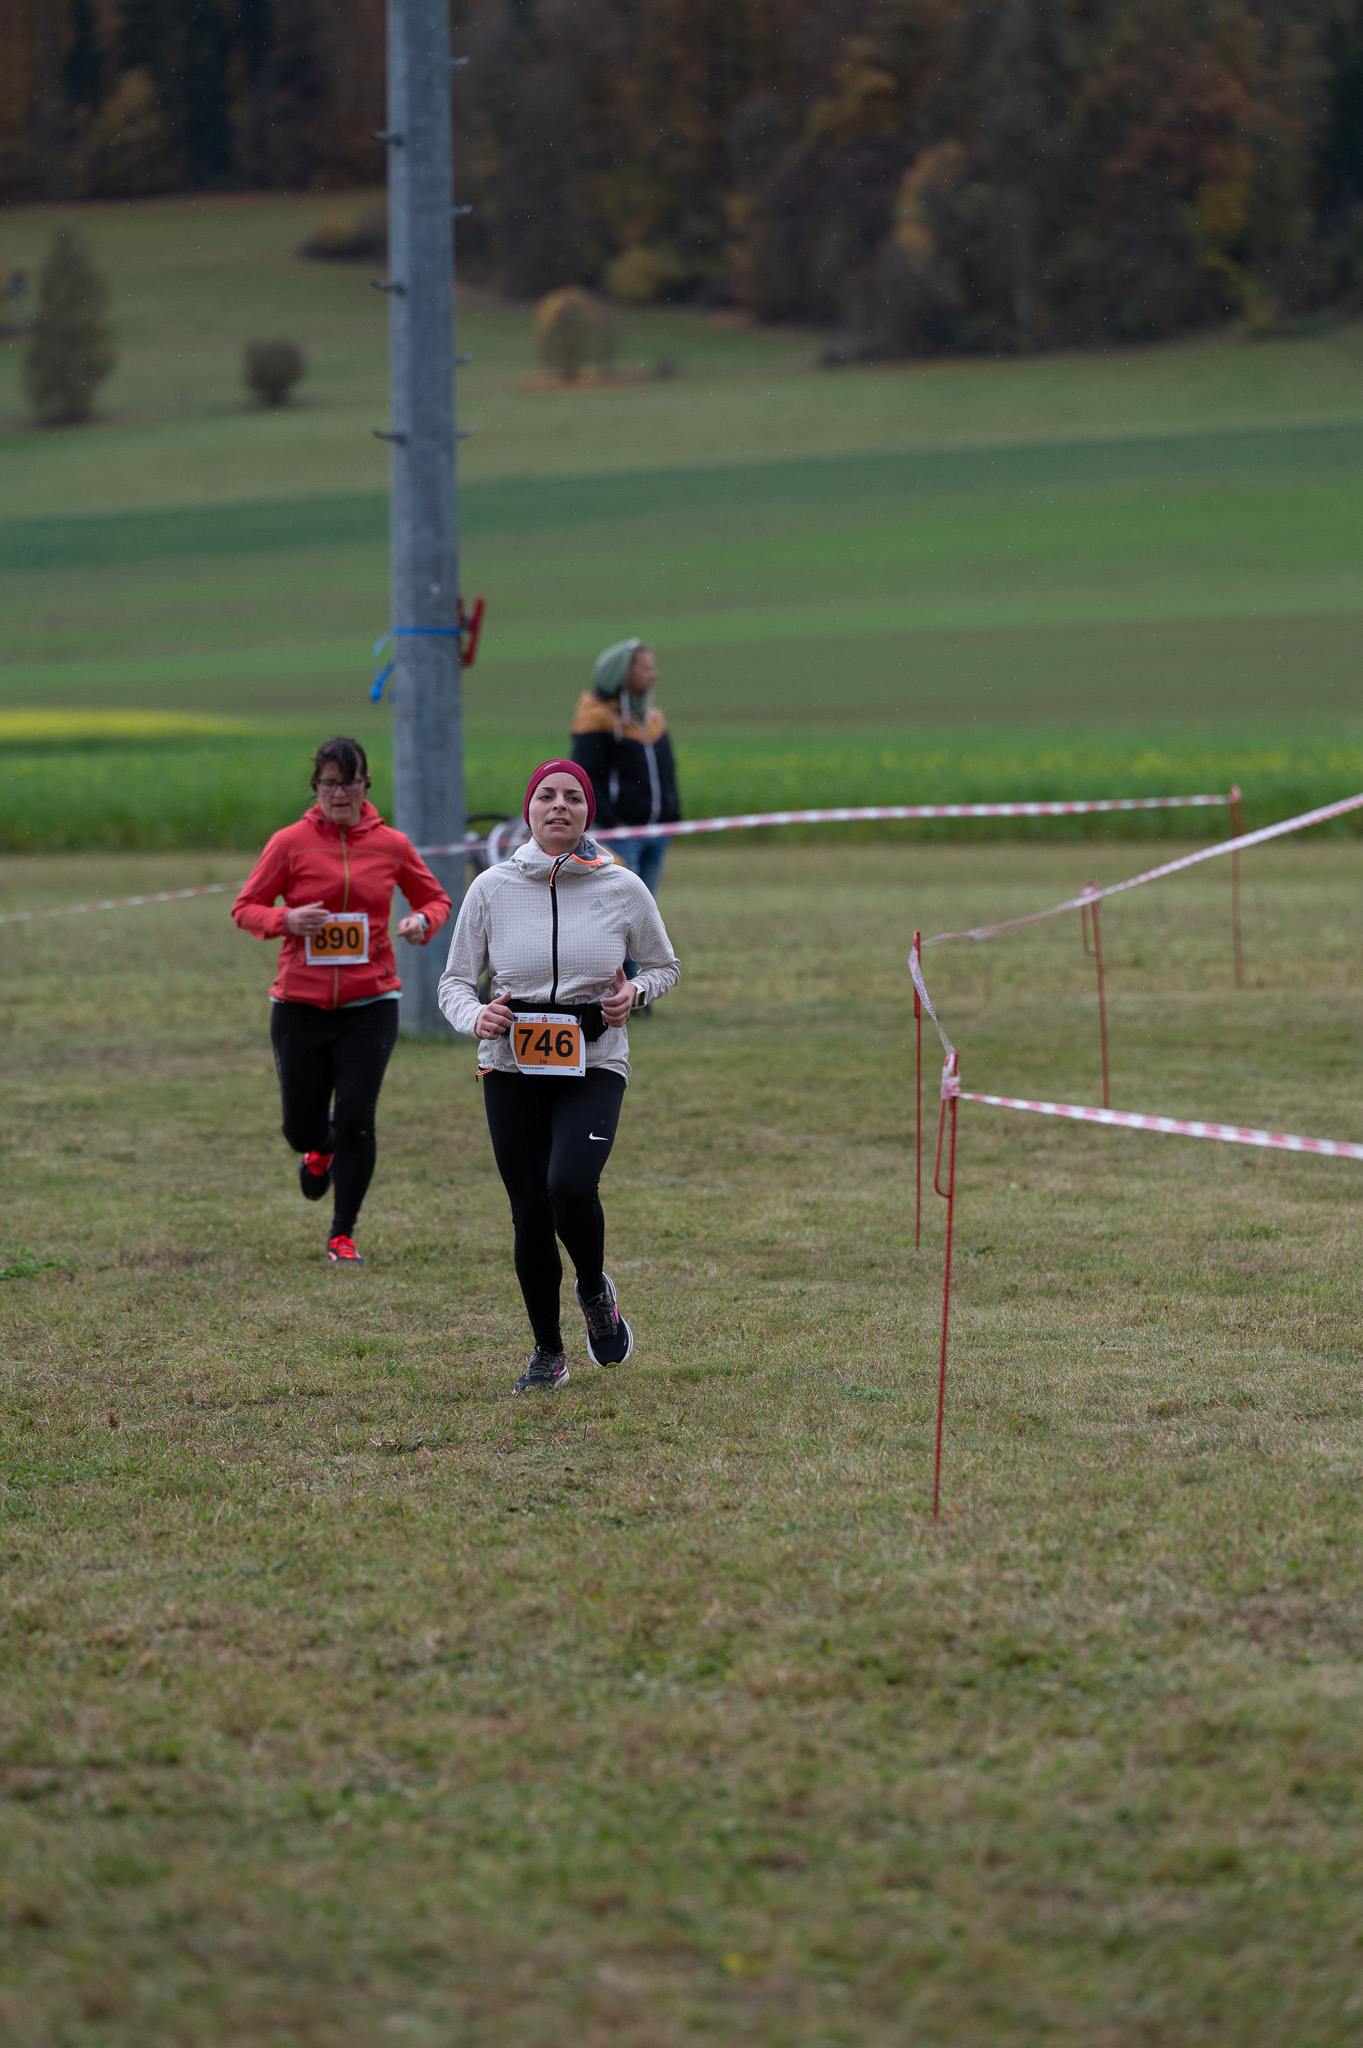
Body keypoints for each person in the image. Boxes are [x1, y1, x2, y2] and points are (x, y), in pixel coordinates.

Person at [438, 760, 680, 1393]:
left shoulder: (622, 886)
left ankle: (595, 1291)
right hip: (510, 1063)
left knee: (569, 1186)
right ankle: (548, 1351)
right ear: (529, 811)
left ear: (587, 813)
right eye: (546, 796)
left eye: (573, 797)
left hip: (594, 1060)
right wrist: (476, 1016)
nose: (559, 806)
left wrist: (634, 994)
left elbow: (664, 966)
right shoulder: (490, 887)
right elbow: (454, 981)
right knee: (528, 1211)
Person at [232, 736, 451, 1266]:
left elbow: (435, 898)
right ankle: (318, 1147)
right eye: (329, 784)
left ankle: (342, 1234)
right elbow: (246, 907)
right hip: (300, 1005)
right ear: (316, 787)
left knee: (357, 1117)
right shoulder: (289, 843)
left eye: (349, 784)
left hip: (371, 1003)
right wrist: (286, 919)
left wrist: (422, 921)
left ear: (365, 785)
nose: (339, 794)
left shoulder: (392, 845)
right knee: (300, 1128)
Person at [571, 638, 680, 906]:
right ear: (622, 673)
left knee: (646, 907)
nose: (654, 675)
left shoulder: (652, 716)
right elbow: (586, 777)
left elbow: (668, 769)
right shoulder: (595, 716)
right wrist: (612, 823)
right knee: (619, 908)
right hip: (620, 835)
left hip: (658, 831)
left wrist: (672, 814)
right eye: (646, 669)